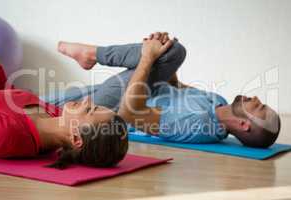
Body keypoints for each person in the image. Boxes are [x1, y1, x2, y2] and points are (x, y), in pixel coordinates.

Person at [58, 31, 281, 148]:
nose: (255, 98)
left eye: (258, 106)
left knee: (174, 52)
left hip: (110, 109)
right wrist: (162, 64)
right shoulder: (218, 101)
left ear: (244, 125)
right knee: (171, 52)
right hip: (124, 89)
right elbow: (174, 87)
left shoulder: (199, 124)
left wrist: (148, 57)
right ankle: (92, 55)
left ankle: (92, 55)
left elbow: (129, 113)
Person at [0, 48, 128, 169]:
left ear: (76, 138)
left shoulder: (7, 134)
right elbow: (3, 92)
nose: (87, 100)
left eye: (88, 110)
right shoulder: (56, 114)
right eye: (94, 106)